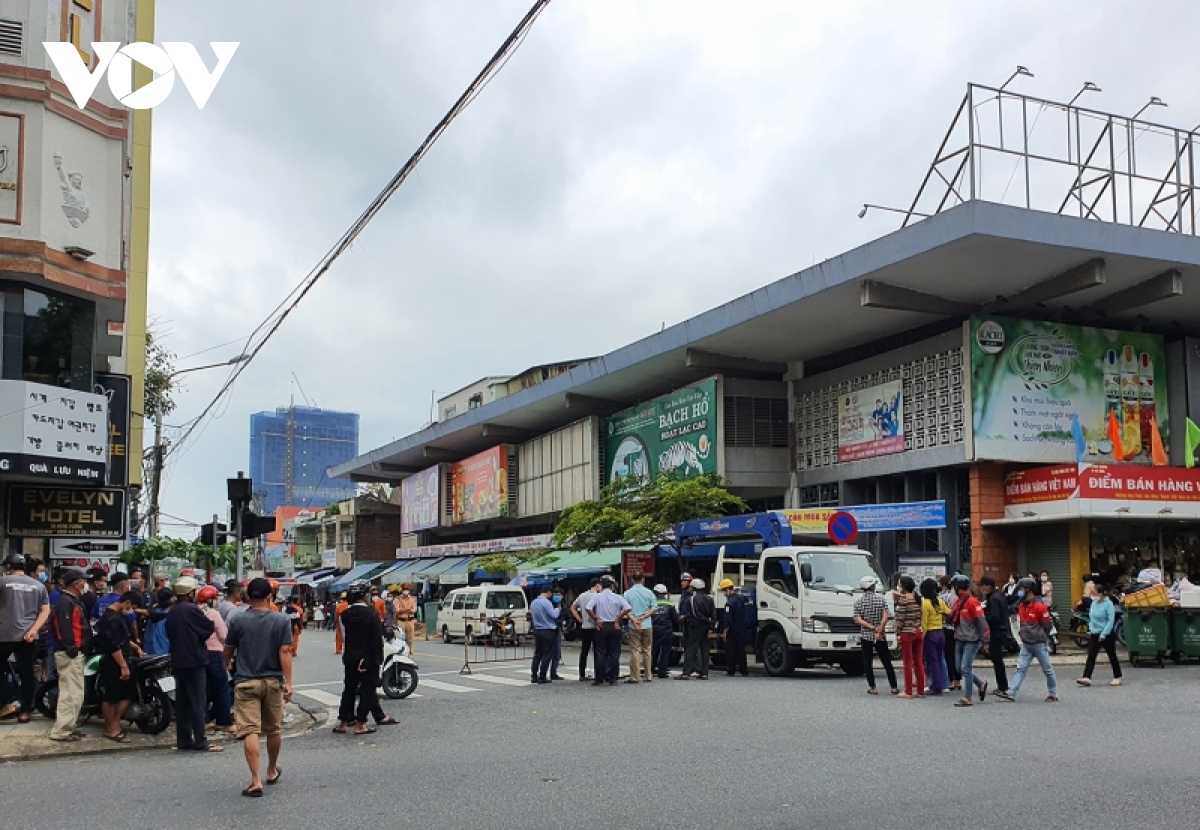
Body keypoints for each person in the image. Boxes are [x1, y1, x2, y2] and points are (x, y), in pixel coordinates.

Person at [224, 577, 293, 797]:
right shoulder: (282, 620)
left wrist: (227, 663)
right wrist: (288, 682)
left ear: (248, 598)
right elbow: (285, 652)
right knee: (273, 729)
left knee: (250, 730)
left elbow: (229, 648)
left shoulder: (238, 620)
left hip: (245, 681)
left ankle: (255, 781)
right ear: (269, 597)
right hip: (273, 681)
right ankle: (271, 770)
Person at [165, 576, 222, 753]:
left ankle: (184, 740)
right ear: (190, 593)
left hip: (178, 660)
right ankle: (200, 741)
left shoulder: (173, 610)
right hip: (194, 660)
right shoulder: (191, 609)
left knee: (182, 703)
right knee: (198, 702)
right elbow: (207, 628)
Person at [0, 553, 50, 723]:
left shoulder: (2, 582)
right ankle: (25, 711)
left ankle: (7, 703)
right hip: (29, 637)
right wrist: (33, 630)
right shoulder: (38, 586)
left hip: (4, 635)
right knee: (27, 673)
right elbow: (45, 610)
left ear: (8, 567)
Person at [333, 580, 388, 734]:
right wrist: (367, 658)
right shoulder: (372, 615)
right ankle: (360, 724)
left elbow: (344, 636)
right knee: (367, 690)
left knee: (349, 689)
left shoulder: (344, 615)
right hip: (368, 659)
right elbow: (376, 639)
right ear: (365, 596)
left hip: (350, 656)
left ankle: (343, 722)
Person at [1000, 577, 1059, 703]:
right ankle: (1012, 692)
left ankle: (1052, 693)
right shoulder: (1021, 605)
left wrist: (1043, 636)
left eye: (1021, 589)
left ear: (1028, 590)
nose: (1019, 592)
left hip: (1039, 643)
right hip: (1026, 644)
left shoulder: (1039, 606)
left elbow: (1047, 625)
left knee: (1047, 669)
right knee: (1020, 669)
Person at [95, 591, 142, 742]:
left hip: (124, 657)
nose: (132, 610)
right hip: (113, 660)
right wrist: (123, 665)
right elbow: (113, 645)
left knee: (127, 694)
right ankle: (111, 728)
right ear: (127, 602)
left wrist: (136, 648)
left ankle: (115, 725)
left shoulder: (118, 616)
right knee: (111, 696)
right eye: (132, 607)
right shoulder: (110, 618)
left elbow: (123, 638)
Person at [49, 568, 90, 742]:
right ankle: (61, 731)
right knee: (70, 694)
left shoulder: (71, 600)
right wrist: (71, 648)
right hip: (70, 653)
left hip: (73, 651)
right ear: (76, 583)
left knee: (75, 693)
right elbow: (64, 627)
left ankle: (68, 727)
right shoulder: (66, 601)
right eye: (83, 580)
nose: (85, 583)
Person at [196, 586, 233, 735]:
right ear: (211, 600)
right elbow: (224, 635)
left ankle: (204, 721)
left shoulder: (195, 612)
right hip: (215, 655)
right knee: (222, 689)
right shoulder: (213, 614)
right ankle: (223, 722)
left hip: (199, 654)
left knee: (203, 690)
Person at [853, 576, 898, 696]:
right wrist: (879, 630)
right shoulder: (881, 599)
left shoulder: (858, 602)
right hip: (880, 635)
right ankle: (893, 687)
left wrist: (871, 627)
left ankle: (873, 687)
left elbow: (858, 620)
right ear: (871, 587)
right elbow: (886, 616)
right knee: (887, 662)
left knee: (867, 662)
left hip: (866, 635)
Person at [950, 575, 989, 707]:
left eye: (954, 586)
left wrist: (985, 641)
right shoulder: (958, 601)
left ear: (957, 587)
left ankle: (968, 698)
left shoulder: (972, 602)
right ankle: (980, 684)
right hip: (960, 638)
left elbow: (982, 622)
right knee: (959, 669)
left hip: (971, 640)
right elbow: (952, 615)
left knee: (965, 668)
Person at [586, 575, 631, 686]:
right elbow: (628, 608)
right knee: (614, 653)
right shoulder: (618, 597)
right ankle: (613, 678)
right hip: (614, 626)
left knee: (601, 653)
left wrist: (596, 619)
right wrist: (618, 618)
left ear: (601, 585)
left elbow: (588, 608)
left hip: (601, 626)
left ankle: (599, 679)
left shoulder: (597, 597)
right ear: (612, 585)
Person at [1077, 583, 1123, 688]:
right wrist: (1091, 628)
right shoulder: (1094, 603)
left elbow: (1110, 621)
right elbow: (1092, 618)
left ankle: (1117, 677)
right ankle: (1086, 677)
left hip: (1106, 634)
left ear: (1101, 593)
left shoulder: (1108, 604)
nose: (1092, 595)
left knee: (1112, 656)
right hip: (1094, 633)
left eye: (1094, 593)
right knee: (1091, 655)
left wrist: (1104, 634)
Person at [893, 575, 925, 699]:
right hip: (918, 631)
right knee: (919, 662)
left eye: (899, 584)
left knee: (907, 662)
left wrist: (897, 633)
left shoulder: (904, 600)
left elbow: (900, 619)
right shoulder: (918, 598)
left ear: (904, 586)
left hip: (907, 632)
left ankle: (908, 691)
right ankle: (921, 691)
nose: (898, 586)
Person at [678, 574, 714, 680]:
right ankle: (704, 673)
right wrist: (711, 626)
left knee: (691, 649)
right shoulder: (709, 598)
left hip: (695, 625)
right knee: (704, 650)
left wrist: (703, 619)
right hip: (706, 626)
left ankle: (686, 673)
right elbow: (713, 614)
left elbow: (695, 612)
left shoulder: (693, 598)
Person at [623, 574, 658, 683]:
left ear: (632, 580)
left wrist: (634, 619)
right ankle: (648, 675)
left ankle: (635, 676)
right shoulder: (649, 592)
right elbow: (654, 608)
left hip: (633, 626)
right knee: (647, 650)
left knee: (635, 650)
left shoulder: (627, 593)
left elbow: (625, 610)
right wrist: (644, 617)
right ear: (643, 580)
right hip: (647, 624)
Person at [980, 575, 1010, 698]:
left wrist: (984, 616)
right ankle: (1002, 686)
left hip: (996, 632)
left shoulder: (993, 599)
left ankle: (1003, 687)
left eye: (982, 586)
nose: (981, 589)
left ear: (988, 586)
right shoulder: (999, 595)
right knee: (997, 659)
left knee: (997, 659)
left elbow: (994, 617)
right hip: (1002, 630)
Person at [919, 578, 949, 696]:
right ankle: (942, 683)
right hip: (940, 632)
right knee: (940, 659)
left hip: (930, 634)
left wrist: (922, 637)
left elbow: (924, 622)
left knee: (933, 662)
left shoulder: (925, 603)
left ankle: (936, 686)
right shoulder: (939, 601)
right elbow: (948, 612)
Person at [570, 578, 601, 680]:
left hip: (585, 626)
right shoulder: (597, 596)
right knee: (597, 651)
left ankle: (582, 674)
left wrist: (579, 619)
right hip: (596, 626)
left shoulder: (582, 595)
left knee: (584, 651)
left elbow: (572, 607)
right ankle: (598, 674)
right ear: (597, 585)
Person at [719, 578, 749, 677]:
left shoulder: (729, 603)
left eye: (724, 591)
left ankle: (731, 669)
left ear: (728, 590)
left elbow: (728, 619)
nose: (724, 593)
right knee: (741, 649)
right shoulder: (742, 598)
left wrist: (724, 632)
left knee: (731, 650)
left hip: (732, 630)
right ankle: (743, 670)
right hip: (742, 628)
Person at [529, 585, 558, 684]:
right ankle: (542, 676)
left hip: (538, 630)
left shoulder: (533, 603)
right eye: (551, 593)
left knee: (537, 654)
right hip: (548, 630)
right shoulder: (546, 603)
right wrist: (558, 608)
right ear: (548, 592)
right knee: (547, 654)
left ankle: (534, 675)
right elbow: (554, 615)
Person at [938, 575, 962, 691]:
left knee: (948, 655)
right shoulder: (957, 597)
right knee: (957, 654)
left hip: (946, 627)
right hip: (958, 628)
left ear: (943, 585)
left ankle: (951, 680)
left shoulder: (942, 597)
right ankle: (957, 679)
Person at [650, 584, 678, 679]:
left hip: (654, 629)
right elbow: (675, 619)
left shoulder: (651, 603)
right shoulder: (670, 604)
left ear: (655, 593)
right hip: (666, 630)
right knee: (665, 651)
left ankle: (651, 669)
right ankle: (662, 672)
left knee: (654, 651)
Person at [395, 584, 418, 654]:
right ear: (402, 590)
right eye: (405, 589)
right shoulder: (397, 599)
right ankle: (400, 653)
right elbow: (397, 610)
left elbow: (414, 610)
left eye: (407, 590)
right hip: (400, 621)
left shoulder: (412, 599)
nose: (406, 591)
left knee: (410, 639)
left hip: (410, 621)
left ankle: (409, 654)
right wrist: (407, 610)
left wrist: (403, 610)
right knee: (400, 638)